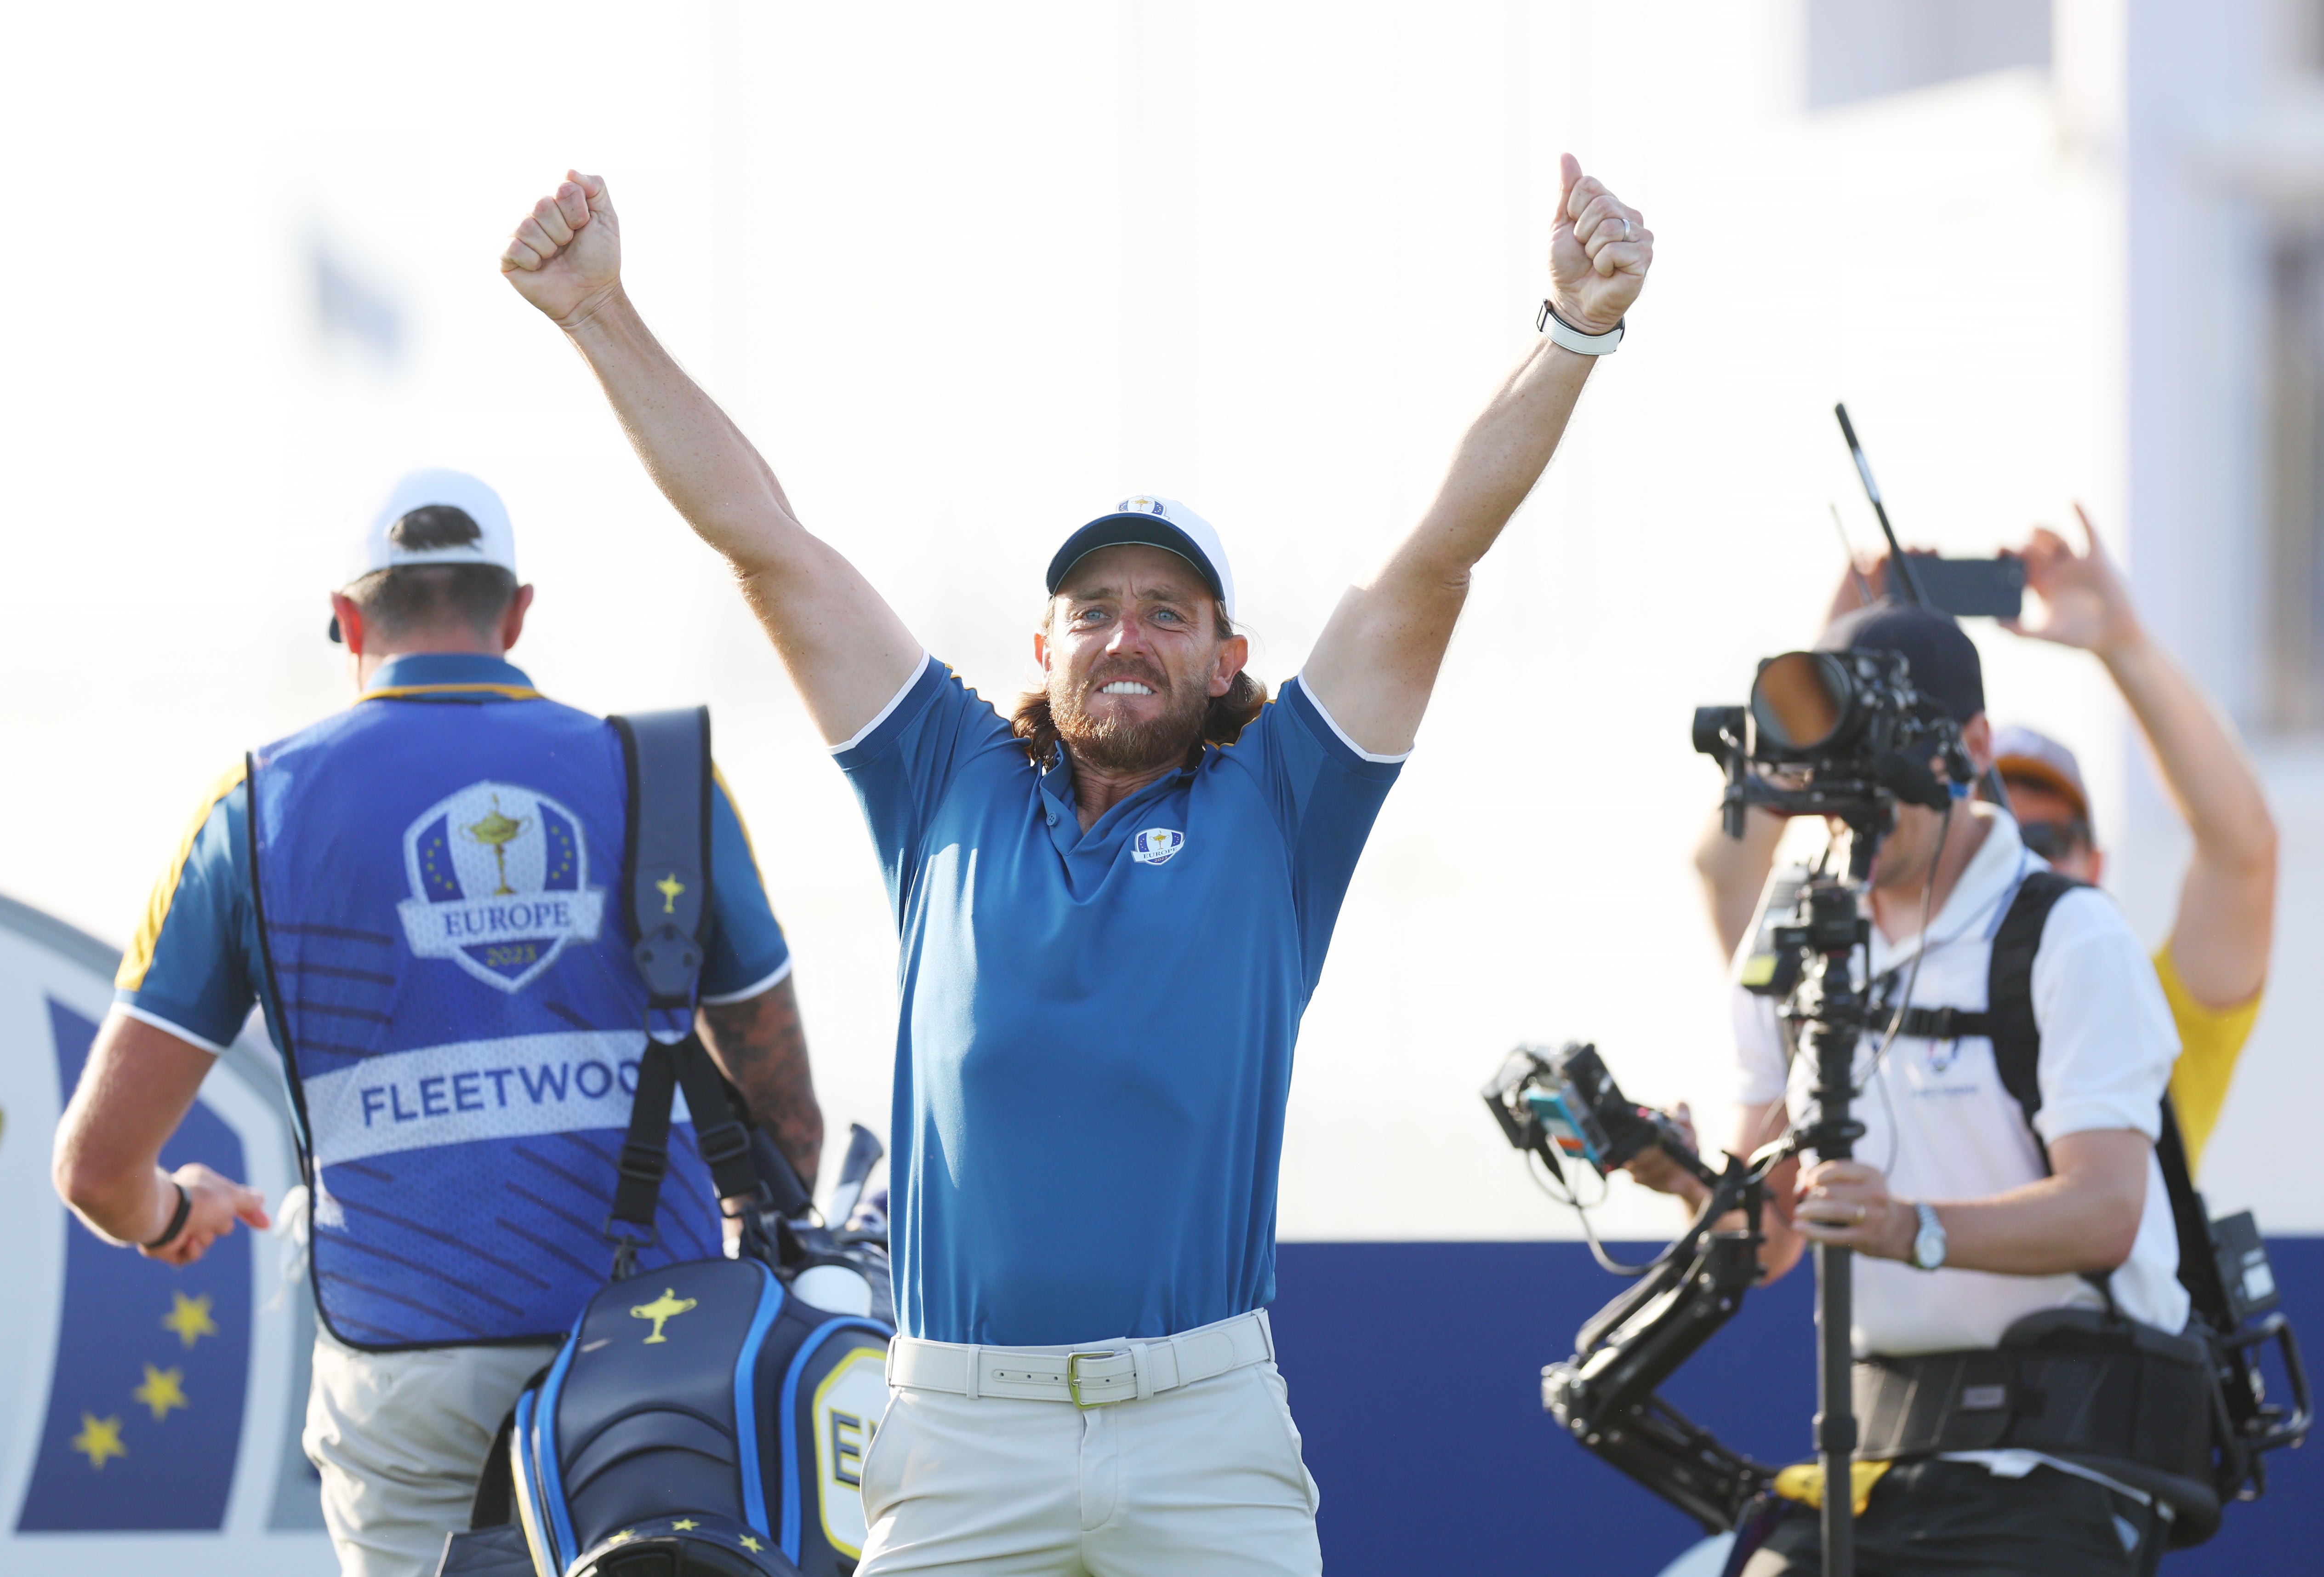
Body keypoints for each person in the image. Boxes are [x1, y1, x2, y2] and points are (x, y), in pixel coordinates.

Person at [500, 155, 1651, 1573]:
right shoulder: (943, 776)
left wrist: (1573, 330)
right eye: (1092, 607)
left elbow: (1435, 557)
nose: (1126, 633)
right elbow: (766, 545)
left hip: (1204, 1425)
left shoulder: (1283, 796)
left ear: (1228, 657)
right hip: (958, 1431)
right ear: (1041, 648)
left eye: (1168, 609)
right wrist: (598, 310)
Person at [50, 469, 820, 1577]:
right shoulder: (666, 775)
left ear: (351, 622)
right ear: (516, 615)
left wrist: (170, 1210)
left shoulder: (255, 807)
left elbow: (94, 1167)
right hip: (660, 1355)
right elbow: (783, 1112)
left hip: (403, 1367)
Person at [1639, 602, 2189, 1574]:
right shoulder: (1793, 929)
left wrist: (1912, 1227)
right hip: (1878, 1454)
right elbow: (1765, 1241)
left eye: (1882, 763)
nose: (1855, 809)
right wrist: (1684, 1175)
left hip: (2062, 1458)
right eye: (1834, 775)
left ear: (1967, 747)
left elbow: (2107, 1208)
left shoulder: (2070, 935)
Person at [1691, 510, 2276, 1171]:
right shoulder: (1852, 970)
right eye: (1988, 825)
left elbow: (2243, 851)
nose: (2015, 853)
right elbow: (1729, 871)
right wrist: (1831, 680)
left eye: (2045, 833)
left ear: (2097, 860)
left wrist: (2124, 644)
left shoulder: (2132, 982)